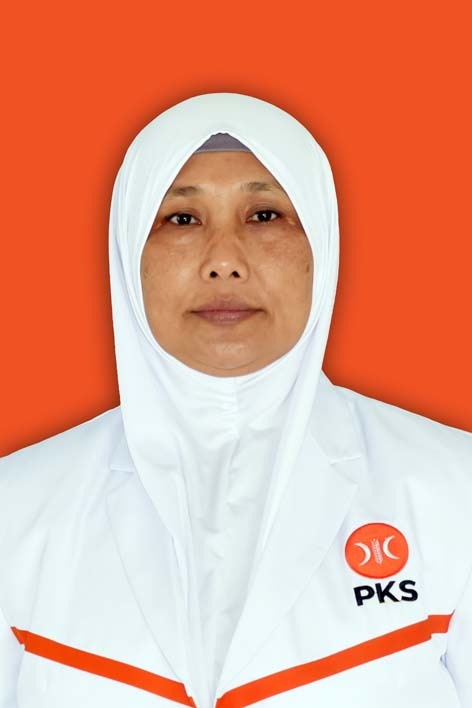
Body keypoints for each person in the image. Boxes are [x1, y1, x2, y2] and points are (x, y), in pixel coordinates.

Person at [0, 92, 471, 708]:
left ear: (322, 245)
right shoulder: (17, 508)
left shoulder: (453, 488)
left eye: (265, 215)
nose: (224, 262)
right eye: (182, 220)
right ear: (127, 251)